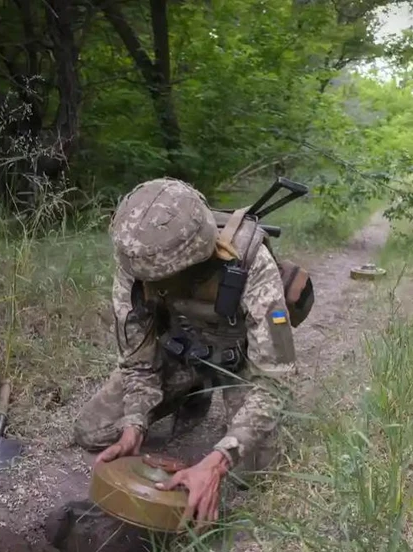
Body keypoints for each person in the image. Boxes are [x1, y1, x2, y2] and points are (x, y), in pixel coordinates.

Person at [73, 177, 296, 529]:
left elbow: (274, 380)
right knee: (93, 430)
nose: (149, 285)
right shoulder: (136, 266)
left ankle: (205, 395)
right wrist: (135, 421)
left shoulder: (252, 263)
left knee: (253, 476)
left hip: (239, 365)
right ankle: (191, 393)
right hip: (179, 355)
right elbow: (137, 362)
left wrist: (220, 459)